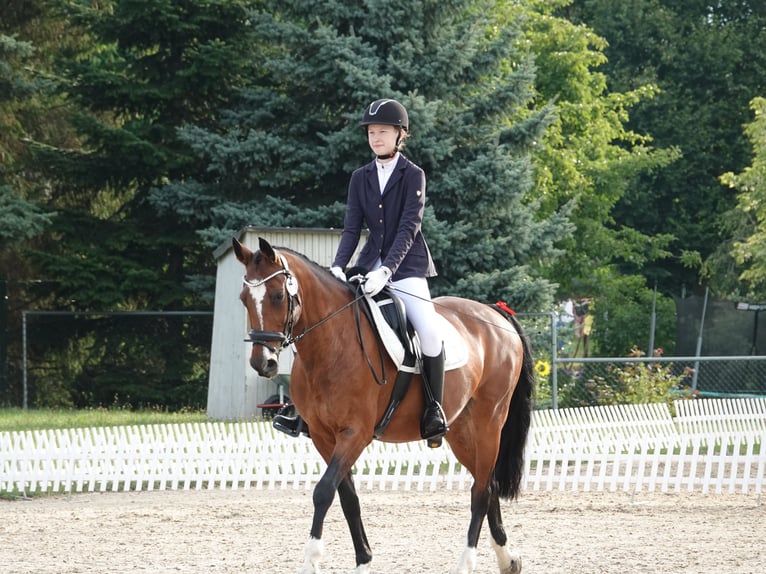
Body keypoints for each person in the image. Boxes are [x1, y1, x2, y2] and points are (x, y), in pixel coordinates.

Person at [273, 98, 448, 446]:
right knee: (322, 323)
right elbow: (352, 228)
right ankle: (304, 411)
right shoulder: (360, 178)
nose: (375, 137)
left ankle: (434, 408)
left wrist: (388, 270)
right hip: (366, 267)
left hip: (407, 267)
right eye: (371, 132)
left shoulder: (413, 175)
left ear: (400, 135)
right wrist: (339, 264)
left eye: (382, 131)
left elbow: (408, 228)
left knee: (428, 332)